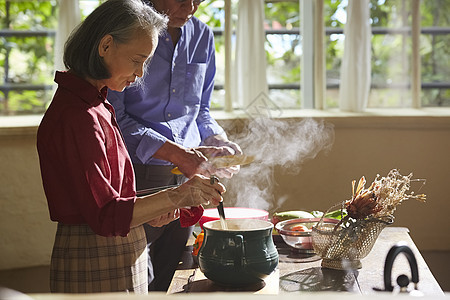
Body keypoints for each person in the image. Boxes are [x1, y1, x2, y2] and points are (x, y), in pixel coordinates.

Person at [36, 0, 225, 294]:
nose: (140, 74)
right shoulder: (79, 116)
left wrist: (166, 201)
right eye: (137, 60)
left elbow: (112, 198)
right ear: (106, 46)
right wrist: (176, 195)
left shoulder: (96, 104)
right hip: (94, 259)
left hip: (111, 254)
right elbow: (106, 215)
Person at [108, 0, 242, 291]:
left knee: (176, 269)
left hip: (188, 173)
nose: (191, 8)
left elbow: (201, 109)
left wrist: (217, 140)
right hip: (137, 172)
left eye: (199, 0)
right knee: (137, 270)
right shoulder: (127, 35)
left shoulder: (203, 35)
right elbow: (114, 117)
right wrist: (175, 153)